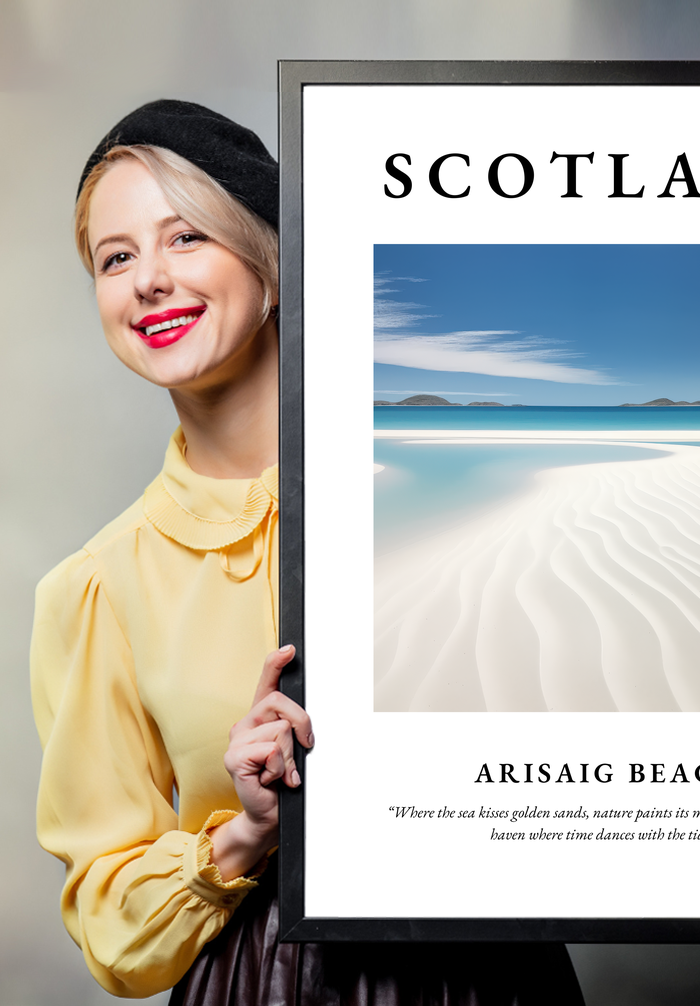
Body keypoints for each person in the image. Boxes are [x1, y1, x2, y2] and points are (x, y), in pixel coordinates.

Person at [30, 100, 585, 1004]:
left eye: (186, 239)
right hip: (262, 981)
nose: (148, 281)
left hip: (492, 971)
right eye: (116, 257)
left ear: (274, 264)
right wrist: (245, 832)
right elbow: (110, 923)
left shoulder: (465, 487)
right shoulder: (98, 587)